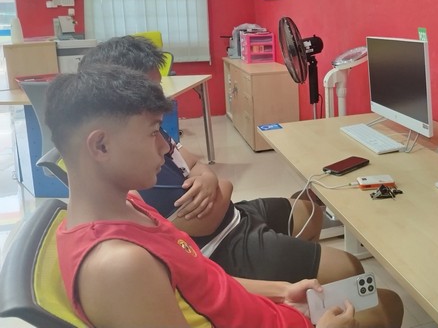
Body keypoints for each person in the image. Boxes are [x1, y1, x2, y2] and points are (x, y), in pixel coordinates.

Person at [78, 36, 404, 325]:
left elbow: (202, 275)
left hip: (234, 225)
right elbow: (204, 226)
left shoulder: (133, 208)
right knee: (375, 293)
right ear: (102, 144)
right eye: (151, 131)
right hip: (225, 242)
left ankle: (299, 268)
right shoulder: (125, 260)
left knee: (309, 211)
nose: (164, 146)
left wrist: (281, 291)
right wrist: (218, 184)